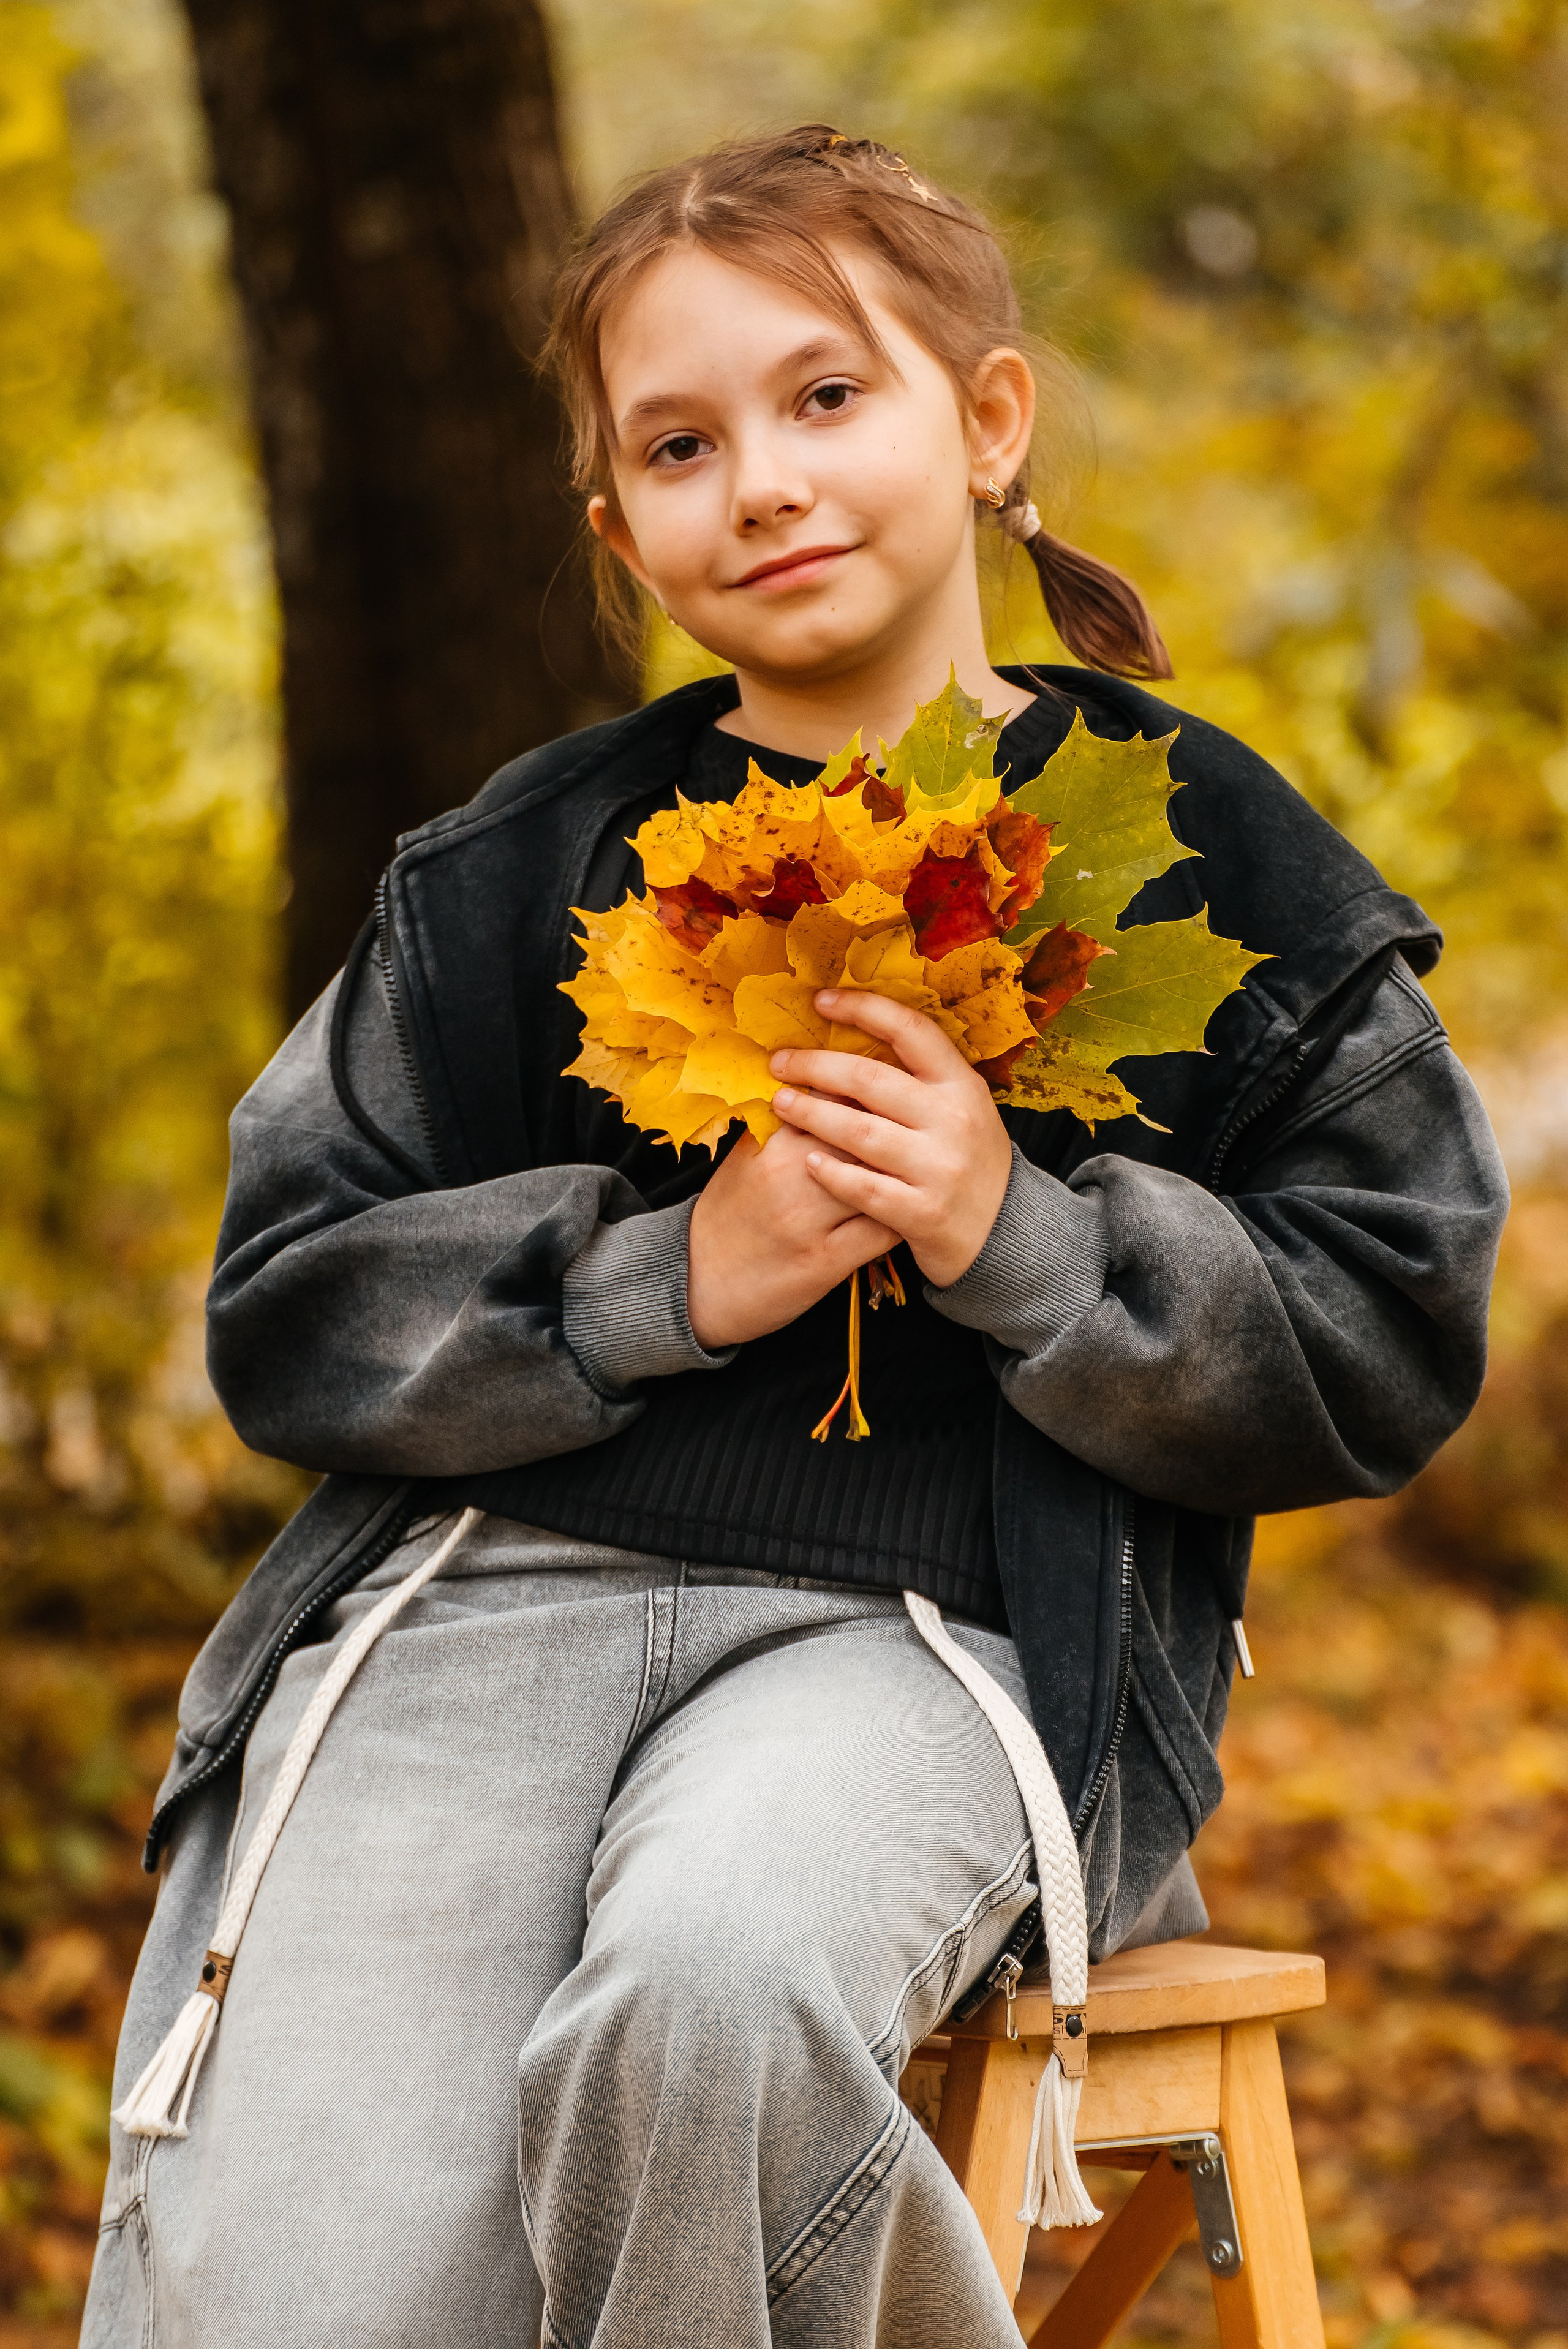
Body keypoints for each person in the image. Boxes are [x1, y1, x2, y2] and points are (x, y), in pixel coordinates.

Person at [85, 127, 1507, 2349]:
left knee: (717, 1992)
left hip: (950, 1640)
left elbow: (1388, 1329)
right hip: (492, 1618)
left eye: (826, 396)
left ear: (990, 420)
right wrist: (671, 1278)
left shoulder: (1210, 862)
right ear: (616, 527)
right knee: (298, 2291)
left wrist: (1012, 1232)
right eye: (679, 442)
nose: (761, 479)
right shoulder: (500, 879)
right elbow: (287, 1308)